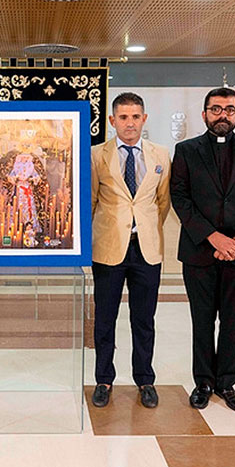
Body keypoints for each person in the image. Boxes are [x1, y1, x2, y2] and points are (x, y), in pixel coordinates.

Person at [170, 88, 235, 413]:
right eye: (216, 109)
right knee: (202, 320)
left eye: (229, 109)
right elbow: (180, 198)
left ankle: (227, 383)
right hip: (200, 251)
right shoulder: (185, 150)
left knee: (232, 321)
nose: (222, 115)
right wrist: (213, 237)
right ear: (204, 115)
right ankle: (203, 381)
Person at [90, 92, 171, 409]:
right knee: (104, 319)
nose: (129, 123)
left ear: (144, 119)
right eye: (123, 117)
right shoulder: (97, 155)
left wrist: (145, 227)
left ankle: (145, 379)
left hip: (146, 250)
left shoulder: (161, 155)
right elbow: (91, 200)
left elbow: (161, 203)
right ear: (112, 121)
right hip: (109, 248)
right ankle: (103, 379)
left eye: (135, 116)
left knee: (144, 319)